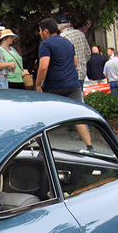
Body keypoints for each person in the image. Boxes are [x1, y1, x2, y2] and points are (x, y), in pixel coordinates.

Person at [36, 18, 91, 148]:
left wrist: (38, 84)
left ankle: (47, 147)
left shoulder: (45, 44)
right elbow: (75, 62)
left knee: (46, 116)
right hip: (73, 84)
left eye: (40, 31)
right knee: (79, 116)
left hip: (55, 85)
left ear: (46, 31)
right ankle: (89, 146)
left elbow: (44, 66)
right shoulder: (67, 43)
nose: (39, 34)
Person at [58, 16, 90, 87]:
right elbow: (88, 53)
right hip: (82, 72)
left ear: (58, 26)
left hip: (69, 75)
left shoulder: (62, 37)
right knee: (79, 95)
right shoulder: (80, 34)